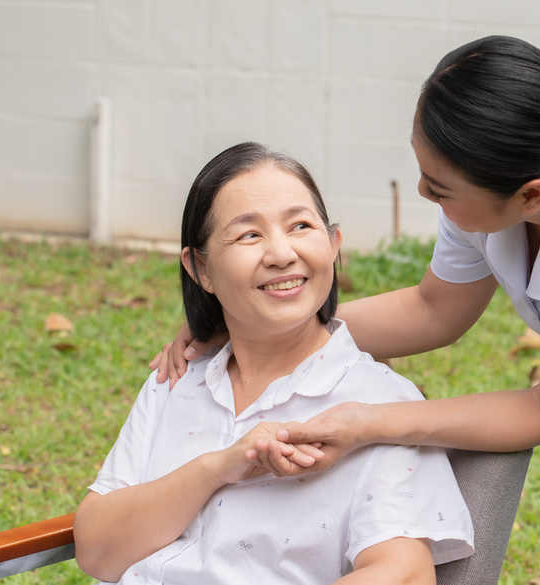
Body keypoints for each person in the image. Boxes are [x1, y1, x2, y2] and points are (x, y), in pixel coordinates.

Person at [153, 36, 540, 585]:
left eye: (439, 188)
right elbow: (433, 310)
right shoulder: (496, 166)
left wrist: (367, 423)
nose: (425, 194)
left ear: (531, 196)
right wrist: (244, 320)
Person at [74, 142, 474, 585]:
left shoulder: (380, 407)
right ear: (200, 269)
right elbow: (95, 552)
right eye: (249, 234)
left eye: (301, 225)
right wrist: (217, 467)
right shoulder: (176, 379)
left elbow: (404, 576)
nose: (282, 253)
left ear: (334, 244)